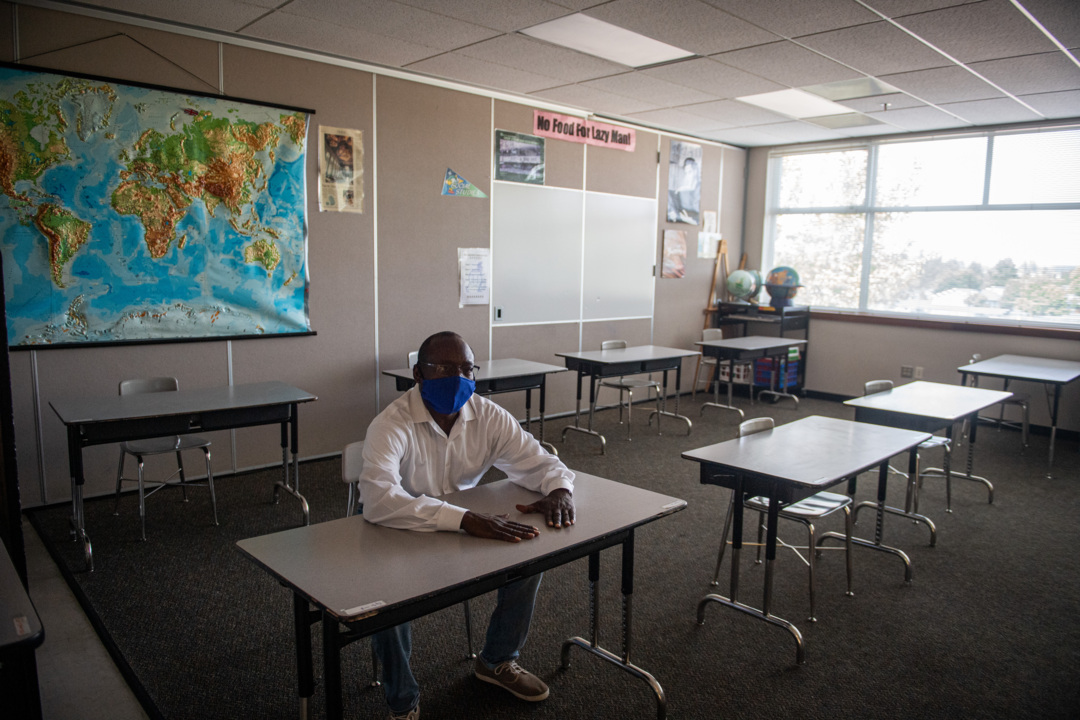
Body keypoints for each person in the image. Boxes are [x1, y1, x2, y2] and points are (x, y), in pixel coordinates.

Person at [359, 331, 576, 720]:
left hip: (463, 528)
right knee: (383, 601)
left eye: (466, 369)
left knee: (528, 551)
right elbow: (379, 501)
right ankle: (402, 701)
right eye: (443, 368)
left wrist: (559, 489)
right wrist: (464, 519)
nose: (457, 378)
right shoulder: (390, 425)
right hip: (398, 531)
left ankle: (496, 661)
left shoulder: (487, 415)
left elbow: (538, 462)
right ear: (418, 374)